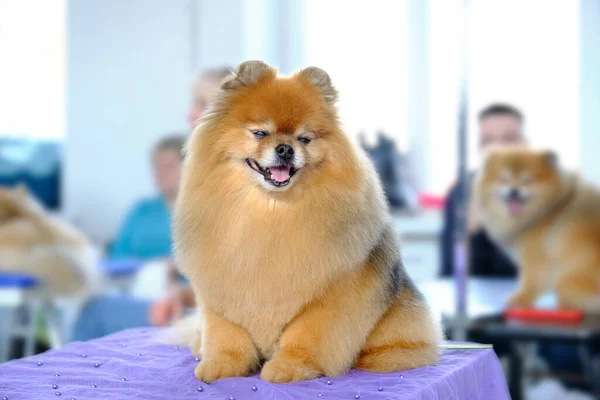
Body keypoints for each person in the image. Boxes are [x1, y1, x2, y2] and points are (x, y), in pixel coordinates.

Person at [72, 67, 230, 341]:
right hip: (178, 302)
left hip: (219, 322)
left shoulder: (234, 190)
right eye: (156, 167)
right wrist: (180, 291)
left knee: (96, 313)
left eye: (202, 105)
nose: (190, 114)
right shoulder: (146, 211)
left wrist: (177, 272)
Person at [440, 103, 526, 277]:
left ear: (524, 144)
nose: (498, 149)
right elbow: (449, 271)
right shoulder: (461, 191)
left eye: (509, 139)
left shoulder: (548, 192)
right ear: (479, 147)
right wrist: (470, 230)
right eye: (488, 140)